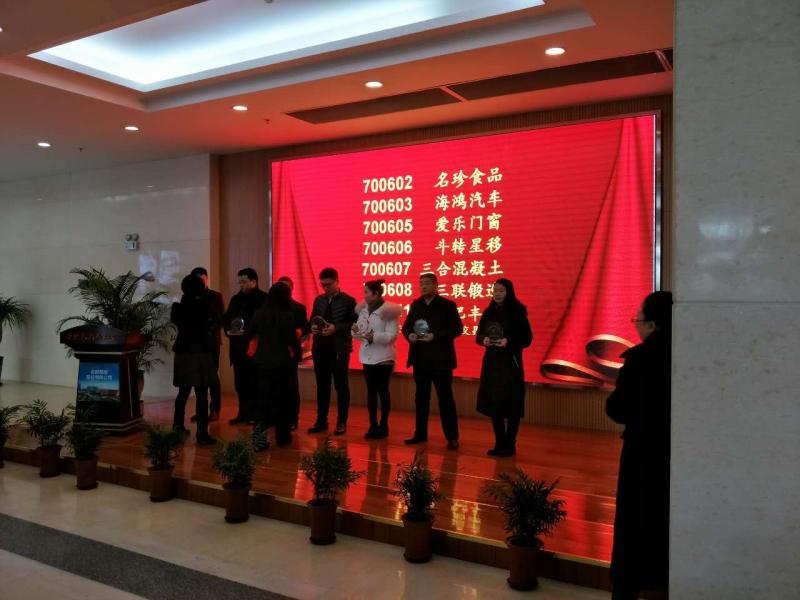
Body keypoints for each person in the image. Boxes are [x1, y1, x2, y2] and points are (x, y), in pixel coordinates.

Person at [605, 291, 672, 600]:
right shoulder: (690, 354)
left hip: (642, 453)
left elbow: (618, 409)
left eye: (638, 319)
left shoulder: (640, 358)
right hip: (676, 453)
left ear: (653, 324)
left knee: (634, 526)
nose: (636, 324)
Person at [401, 272, 462, 450]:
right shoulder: (416, 305)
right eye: (421, 283)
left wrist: (435, 336)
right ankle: (420, 434)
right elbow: (406, 327)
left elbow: (457, 329)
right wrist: (410, 335)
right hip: (420, 359)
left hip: (441, 360)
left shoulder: (447, 305)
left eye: (427, 283)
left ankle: (452, 437)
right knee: (421, 398)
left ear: (436, 285)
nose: (423, 286)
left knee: (445, 399)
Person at [476, 278, 533, 457]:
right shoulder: (489, 311)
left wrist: (509, 341)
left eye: (501, 291)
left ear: (509, 292)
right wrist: (483, 339)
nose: (497, 294)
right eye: (495, 291)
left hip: (510, 364)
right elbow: (478, 335)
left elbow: (527, 338)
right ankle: (499, 442)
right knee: (495, 405)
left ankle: (510, 443)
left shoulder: (517, 311)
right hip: (492, 364)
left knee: (512, 405)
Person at [247, 283, 301, 450]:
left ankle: (259, 441)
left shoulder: (258, 314)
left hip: (262, 362)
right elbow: (292, 341)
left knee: (262, 401)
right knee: (282, 400)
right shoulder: (287, 316)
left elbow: (249, 334)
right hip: (282, 363)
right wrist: (297, 357)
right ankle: (282, 437)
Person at [170, 274, 221, 445]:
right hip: (201, 352)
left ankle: (177, 426)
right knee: (202, 394)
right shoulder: (204, 305)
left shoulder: (178, 307)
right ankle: (202, 433)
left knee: (183, 392)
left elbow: (178, 323)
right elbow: (217, 319)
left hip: (183, 352)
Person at [308, 267, 356, 436]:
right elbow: (312, 319)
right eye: (323, 285)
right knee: (322, 386)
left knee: (341, 386)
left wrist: (336, 328)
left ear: (337, 282)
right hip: (320, 348)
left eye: (328, 284)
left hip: (339, 349)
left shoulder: (348, 301)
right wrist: (313, 327)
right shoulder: (319, 300)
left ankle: (342, 422)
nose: (325, 288)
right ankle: (321, 420)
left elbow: (354, 324)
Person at [352, 279, 402, 440]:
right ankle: (373, 425)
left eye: (366, 292)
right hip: (367, 357)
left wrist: (374, 337)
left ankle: (384, 425)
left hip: (384, 357)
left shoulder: (389, 311)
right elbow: (359, 333)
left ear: (375, 294)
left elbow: (392, 335)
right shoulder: (363, 310)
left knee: (383, 391)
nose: (364, 295)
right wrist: (355, 331)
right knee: (371, 392)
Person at [223, 268, 268, 425]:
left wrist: (249, 332)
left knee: (255, 383)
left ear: (253, 281)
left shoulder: (263, 299)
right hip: (237, 348)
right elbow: (227, 318)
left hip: (254, 348)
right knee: (240, 384)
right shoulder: (236, 299)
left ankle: (256, 415)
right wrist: (228, 330)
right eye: (239, 282)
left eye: (244, 282)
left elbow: (264, 323)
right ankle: (242, 413)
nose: (241, 285)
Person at [189, 266, 225, 424]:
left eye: (202, 279)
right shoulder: (190, 297)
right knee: (198, 378)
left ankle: (215, 409)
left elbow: (221, 320)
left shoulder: (215, 296)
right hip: (196, 344)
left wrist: (208, 328)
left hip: (211, 342)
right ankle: (201, 411)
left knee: (212, 376)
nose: (200, 283)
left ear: (207, 279)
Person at [276, 276, 310, 430]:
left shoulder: (298, 307)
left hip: (290, 353)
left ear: (291, 288)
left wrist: (297, 336)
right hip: (274, 353)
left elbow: (305, 329)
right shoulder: (270, 308)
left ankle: (293, 418)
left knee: (291, 387)